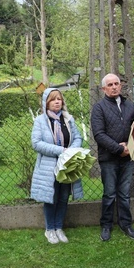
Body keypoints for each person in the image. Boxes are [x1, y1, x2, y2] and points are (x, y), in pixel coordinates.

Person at [30, 88, 84, 244]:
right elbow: (37, 143)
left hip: (66, 165)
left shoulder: (68, 119)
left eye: (59, 99)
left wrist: (71, 151)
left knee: (63, 197)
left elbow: (78, 137)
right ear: (46, 103)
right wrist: (61, 151)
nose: (56, 102)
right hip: (49, 167)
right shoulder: (40, 121)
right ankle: (50, 229)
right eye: (53, 99)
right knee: (51, 197)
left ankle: (59, 228)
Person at [90, 73, 134, 241]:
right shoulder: (99, 108)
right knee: (110, 194)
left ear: (121, 85)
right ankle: (106, 225)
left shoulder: (130, 106)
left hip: (128, 158)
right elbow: (99, 134)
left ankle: (126, 224)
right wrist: (119, 149)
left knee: (124, 194)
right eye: (109, 85)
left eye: (116, 84)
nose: (113, 87)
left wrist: (129, 147)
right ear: (104, 89)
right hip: (109, 159)